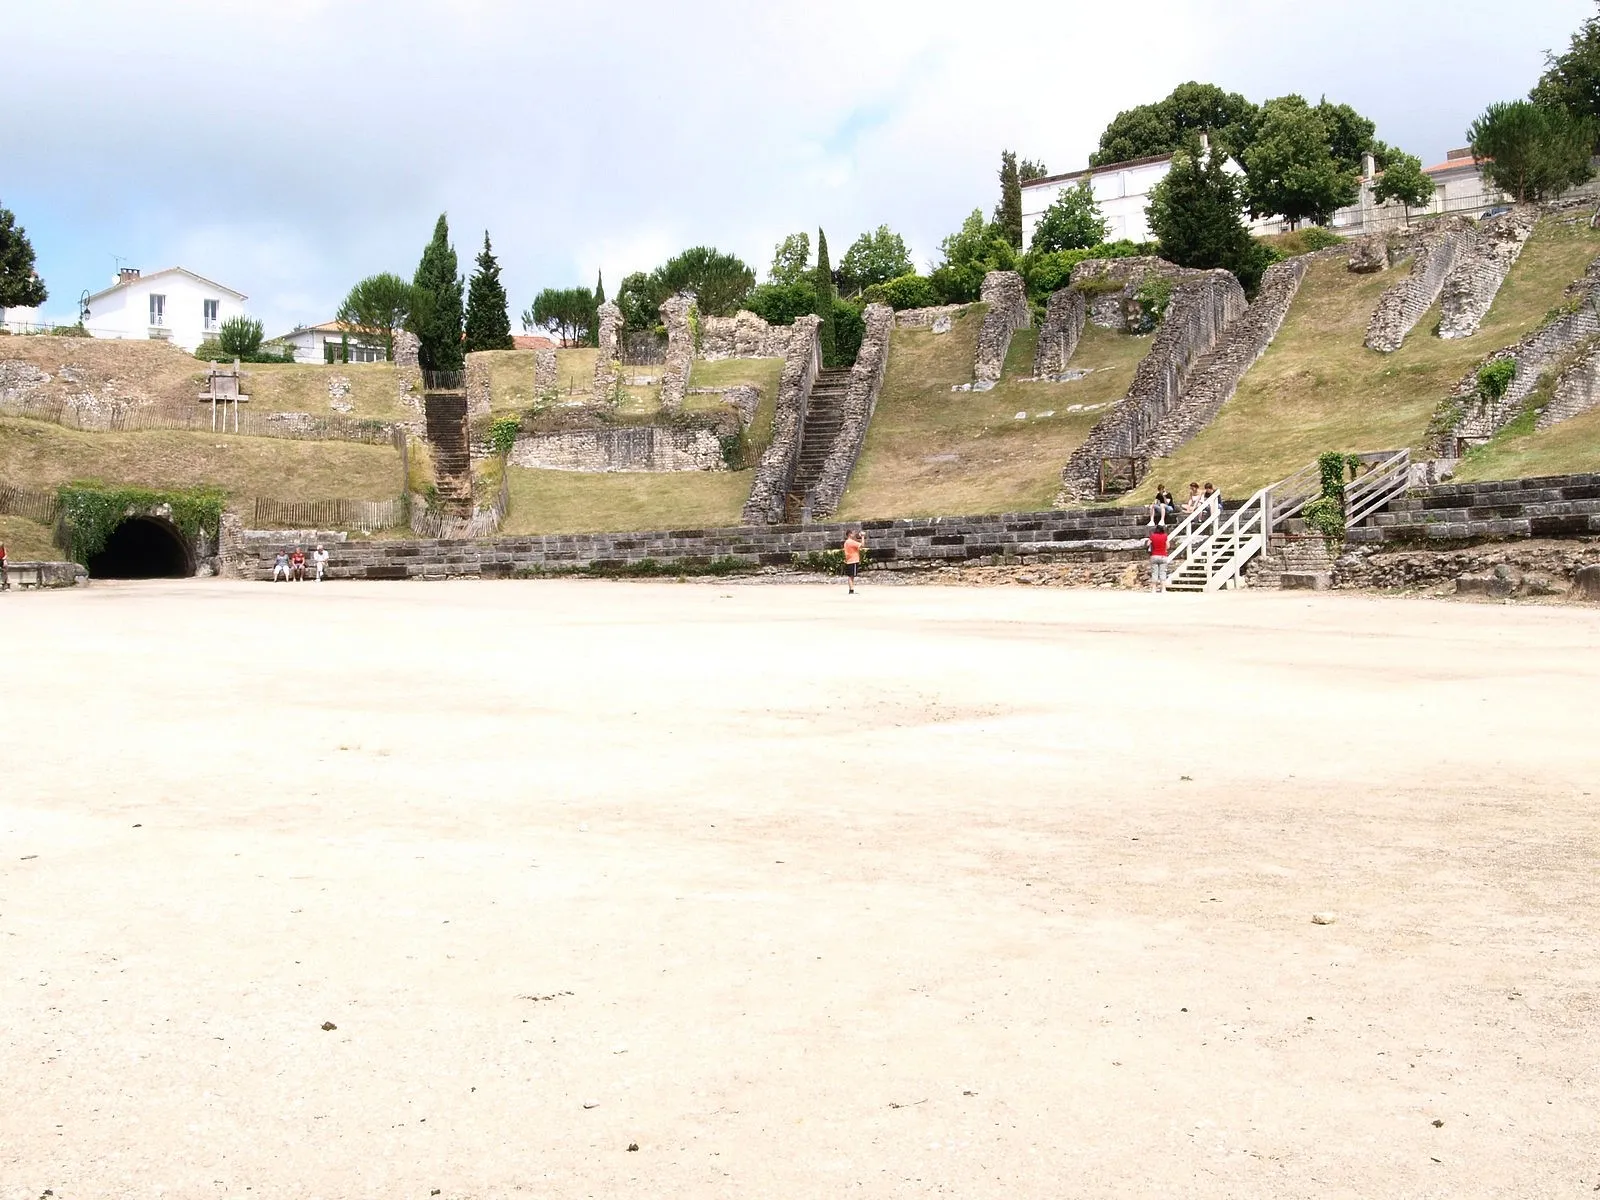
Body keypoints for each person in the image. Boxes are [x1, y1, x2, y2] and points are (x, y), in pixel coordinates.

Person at [1146, 525, 1169, 593]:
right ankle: (1163, 589)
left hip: (1154, 555)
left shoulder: (1152, 536)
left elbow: (1148, 544)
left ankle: (1153, 589)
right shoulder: (1165, 536)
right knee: (1162, 573)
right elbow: (1168, 546)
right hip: (1163, 556)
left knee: (1154, 573)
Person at [842, 529, 865, 595]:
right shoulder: (851, 542)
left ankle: (851, 589)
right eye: (853, 533)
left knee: (850, 576)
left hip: (849, 560)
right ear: (849, 534)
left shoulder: (846, 542)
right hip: (853, 560)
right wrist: (862, 536)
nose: (854, 534)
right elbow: (862, 545)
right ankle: (851, 590)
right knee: (851, 576)